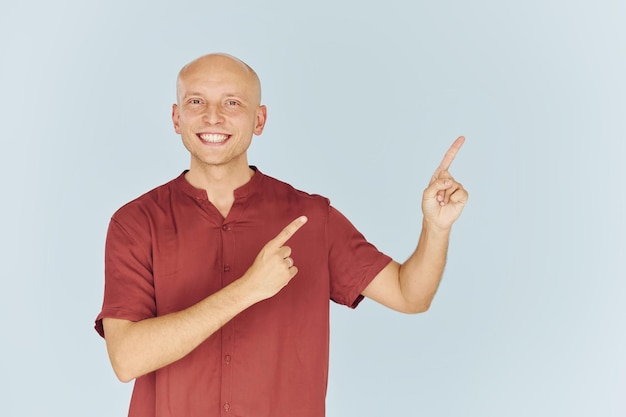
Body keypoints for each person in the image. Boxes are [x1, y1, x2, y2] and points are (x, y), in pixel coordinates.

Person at [95, 53, 468, 417]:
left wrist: (435, 228)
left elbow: (409, 294)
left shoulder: (311, 218)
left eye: (232, 102)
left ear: (259, 120)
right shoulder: (136, 223)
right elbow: (126, 359)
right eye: (196, 101)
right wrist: (248, 289)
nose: (213, 116)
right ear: (177, 118)